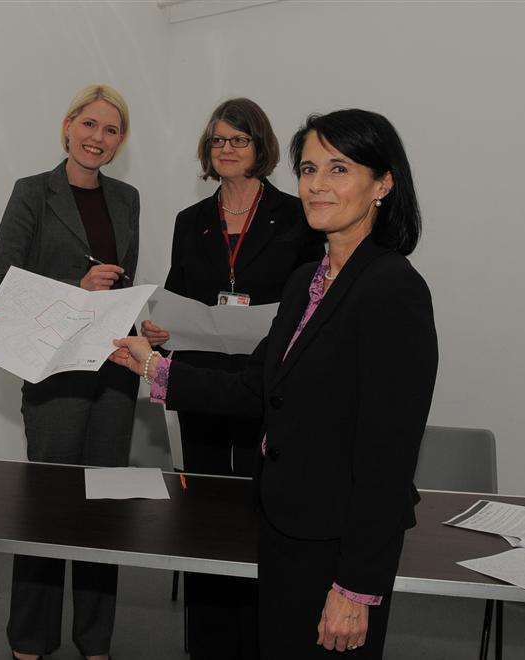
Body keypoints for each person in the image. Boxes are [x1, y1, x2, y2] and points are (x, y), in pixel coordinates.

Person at [114, 109, 437, 658]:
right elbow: (256, 388)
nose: (316, 185)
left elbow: (387, 458)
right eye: (309, 169)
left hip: (338, 548)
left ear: (384, 183)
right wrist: (153, 366)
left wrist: (356, 589)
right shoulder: (306, 282)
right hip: (285, 525)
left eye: (339, 169)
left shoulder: (392, 289)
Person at [141, 98, 323, 660]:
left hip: (263, 384)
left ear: (260, 146)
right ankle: (209, 645)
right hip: (199, 383)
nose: (227, 149)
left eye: (239, 140)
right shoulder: (189, 221)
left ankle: (260, 642)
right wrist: (158, 325)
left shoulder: (297, 217)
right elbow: (179, 293)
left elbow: (309, 299)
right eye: (218, 140)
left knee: (257, 518)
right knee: (202, 522)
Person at [0, 84, 138, 660]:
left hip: (114, 373)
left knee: (105, 515)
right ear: (69, 126)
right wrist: (75, 290)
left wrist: (138, 322)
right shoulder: (32, 192)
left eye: (112, 130)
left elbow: (124, 283)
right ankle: (30, 639)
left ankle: (95, 641)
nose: (99, 138)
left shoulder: (128, 199)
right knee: (48, 510)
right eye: (91, 125)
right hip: (54, 371)